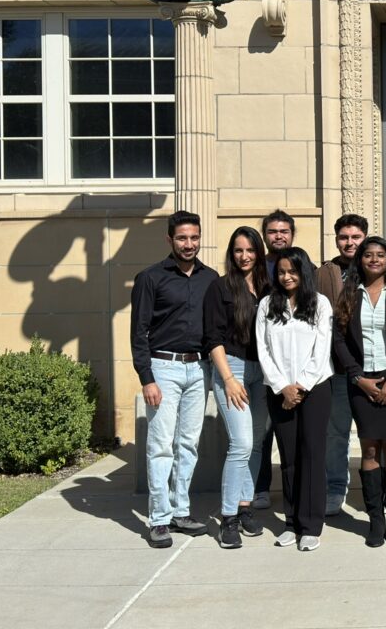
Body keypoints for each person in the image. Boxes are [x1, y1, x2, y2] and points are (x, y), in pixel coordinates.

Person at [131, 211, 218, 548]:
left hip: (199, 370)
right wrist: (146, 377)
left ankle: (181, 510)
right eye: (182, 238)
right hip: (163, 368)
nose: (189, 244)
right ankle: (159, 519)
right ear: (170, 240)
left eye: (194, 238)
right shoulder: (150, 278)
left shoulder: (210, 278)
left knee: (188, 444)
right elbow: (139, 332)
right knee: (160, 445)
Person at [333, 236, 386, 548]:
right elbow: (339, 340)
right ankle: (375, 519)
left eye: (379, 255)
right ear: (361, 260)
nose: (373, 259)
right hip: (361, 383)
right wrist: (358, 378)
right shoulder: (349, 295)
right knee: (369, 449)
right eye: (368, 255)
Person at [256, 246, 334, 552]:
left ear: (303, 272)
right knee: (288, 458)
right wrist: (282, 387)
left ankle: (311, 525)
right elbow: (264, 350)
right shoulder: (266, 305)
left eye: (293, 271)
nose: (287, 277)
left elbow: (322, 349)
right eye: (282, 271)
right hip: (279, 391)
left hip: (314, 390)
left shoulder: (319, 304)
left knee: (311, 456)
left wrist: (299, 387)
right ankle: (291, 522)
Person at [204, 226, 271, 549]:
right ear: (231, 254)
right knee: (241, 443)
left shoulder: (268, 287)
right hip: (233, 369)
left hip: (263, 373)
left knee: (256, 443)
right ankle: (228, 517)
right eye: (238, 250)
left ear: (259, 252)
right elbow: (212, 339)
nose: (244, 256)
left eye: (250, 250)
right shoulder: (220, 288)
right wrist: (229, 379)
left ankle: (246, 507)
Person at [316, 213, 368, 516]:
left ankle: (378, 489)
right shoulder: (326, 272)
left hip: (371, 368)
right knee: (336, 434)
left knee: (375, 435)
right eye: (344, 237)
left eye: (355, 237)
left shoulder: (378, 265)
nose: (350, 243)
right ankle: (336, 488)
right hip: (335, 368)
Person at [253, 209, 298, 509]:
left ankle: (295, 489)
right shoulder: (254, 266)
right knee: (262, 430)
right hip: (258, 359)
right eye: (272, 231)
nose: (279, 236)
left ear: (292, 234)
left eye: (283, 231)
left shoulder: (300, 264)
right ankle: (261, 487)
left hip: (291, 363)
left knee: (290, 430)